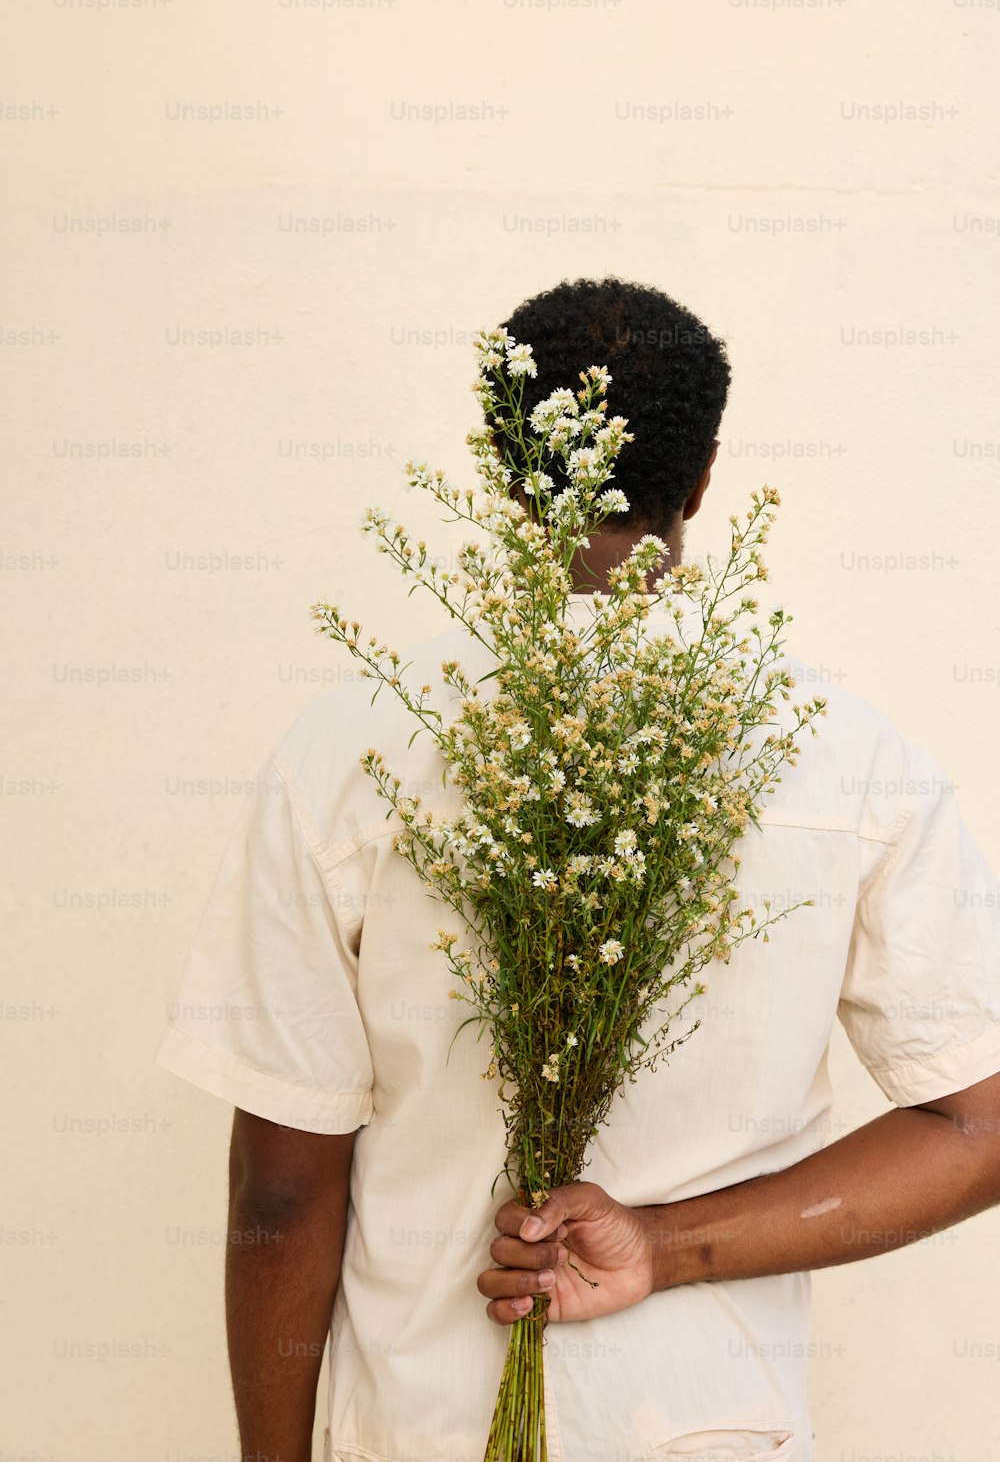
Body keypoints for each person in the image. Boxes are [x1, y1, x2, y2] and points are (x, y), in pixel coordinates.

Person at [156, 276, 1000, 1462]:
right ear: (703, 477)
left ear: (503, 472)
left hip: (419, 1427)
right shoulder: (850, 757)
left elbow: (281, 1191)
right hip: (715, 1429)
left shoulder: (346, 751)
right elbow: (978, 1126)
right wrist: (664, 1240)